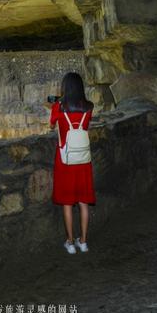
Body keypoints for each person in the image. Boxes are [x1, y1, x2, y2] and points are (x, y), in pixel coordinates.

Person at [44, 72, 99, 254]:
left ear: (65, 88)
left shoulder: (59, 107)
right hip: (83, 159)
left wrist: (56, 106)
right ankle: (83, 242)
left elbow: (52, 125)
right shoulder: (89, 107)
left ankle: (70, 242)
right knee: (83, 202)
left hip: (65, 159)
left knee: (67, 203)